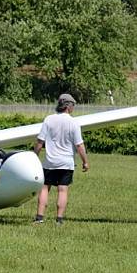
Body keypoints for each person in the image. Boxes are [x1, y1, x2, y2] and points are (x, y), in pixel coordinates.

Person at [33, 93, 89, 225]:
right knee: (62, 190)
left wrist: (34, 155)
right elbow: (79, 145)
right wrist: (85, 161)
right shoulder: (74, 122)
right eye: (73, 105)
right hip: (66, 163)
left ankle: (40, 217)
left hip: (50, 162)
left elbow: (40, 141)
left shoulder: (49, 119)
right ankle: (59, 219)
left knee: (44, 188)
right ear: (69, 107)